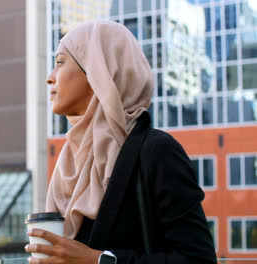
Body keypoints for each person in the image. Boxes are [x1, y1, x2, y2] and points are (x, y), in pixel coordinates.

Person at [24, 21, 217, 264]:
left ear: (99, 71)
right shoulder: (71, 161)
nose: (50, 78)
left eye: (60, 63)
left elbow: (199, 259)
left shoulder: (156, 152)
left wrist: (100, 261)